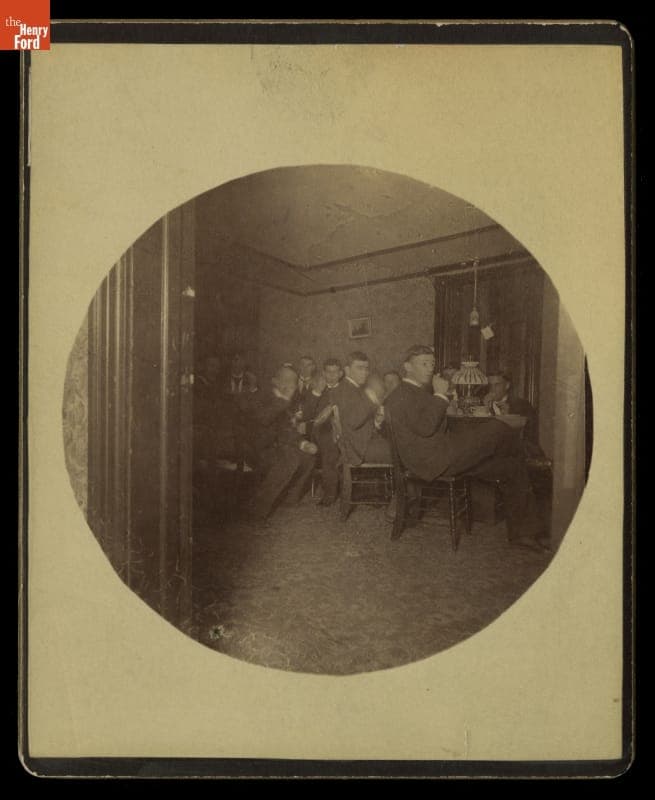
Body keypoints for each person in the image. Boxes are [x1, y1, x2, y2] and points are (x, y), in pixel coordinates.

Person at [384, 344, 548, 551]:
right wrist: (441, 395)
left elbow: (429, 426)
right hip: (432, 462)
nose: (429, 369)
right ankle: (530, 453)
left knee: (511, 466)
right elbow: (426, 427)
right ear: (407, 366)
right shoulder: (403, 394)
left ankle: (524, 534)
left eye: (432, 364)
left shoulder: (415, 391)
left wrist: (442, 398)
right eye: (423, 364)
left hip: (441, 455)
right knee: (498, 427)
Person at [236, 364, 317, 524]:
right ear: (275, 381)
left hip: (275, 448)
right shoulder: (261, 396)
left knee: (308, 457)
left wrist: (303, 443)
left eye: (293, 381)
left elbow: (288, 431)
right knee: (289, 459)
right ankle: (255, 512)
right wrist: (285, 400)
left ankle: (288, 499)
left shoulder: (287, 403)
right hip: (254, 448)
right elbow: (263, 419)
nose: (291, 385)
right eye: (286, 380)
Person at [330, 351, 389, 466]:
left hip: (363, 444)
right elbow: (353, 421)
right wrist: (370, 399)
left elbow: (360, 420)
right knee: (401, 451)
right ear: (347, 370)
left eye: (366, 369)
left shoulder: (356, 388)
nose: (365, 373)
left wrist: (376, 421)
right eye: (359, 368)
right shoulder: (343, 390)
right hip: (358, 449)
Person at [309, 358, 344, 506]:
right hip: (322, 430)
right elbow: (309, 414)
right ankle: (330, 494)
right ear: (323, 373)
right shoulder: (317, 390)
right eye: (328, 372)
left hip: (344, 428)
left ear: (341, 373)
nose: (331, 375)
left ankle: (343, 488)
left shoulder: (346, 390)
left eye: (335, 372)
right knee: (329, 446)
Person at [483, 370, 541, 450]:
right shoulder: (481, 405)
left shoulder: (522, 405)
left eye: (497, 385)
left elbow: (529, 438)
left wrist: (508, 416)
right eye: (490, 385)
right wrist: (485, 410)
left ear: (507, 385)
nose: (492, 389)